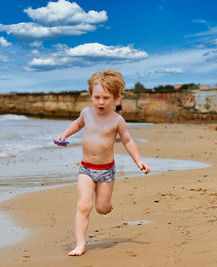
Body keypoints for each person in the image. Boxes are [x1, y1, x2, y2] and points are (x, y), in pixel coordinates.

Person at [55, 70, 150, 256]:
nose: (100, 101)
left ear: (116, 99)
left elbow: (128, 141)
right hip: (86, 169)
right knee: (84, 206)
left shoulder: (117, 120)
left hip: (106, 172)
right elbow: (76, 124)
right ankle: (80, 244)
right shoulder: (86, 113)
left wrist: (138, 161)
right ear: (90, 96)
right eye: (96, 97)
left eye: (106, 98)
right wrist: (64, 135)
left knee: (101, 208)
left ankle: (107, 205)